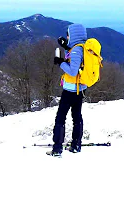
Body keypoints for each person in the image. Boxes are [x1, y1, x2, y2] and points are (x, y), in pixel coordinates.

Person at [46, 23, 87, 157]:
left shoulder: (76, 50)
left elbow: (73, 71)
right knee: (76, 117)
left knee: (60, 118)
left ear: (73, 35)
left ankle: (57, 148)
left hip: (70, 90)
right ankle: (76, 145)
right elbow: (76, 61)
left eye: (69, 34)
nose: (68, 36)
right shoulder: (82, 48)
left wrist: (60, 62)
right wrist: (65, 46)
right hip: (79, 90)